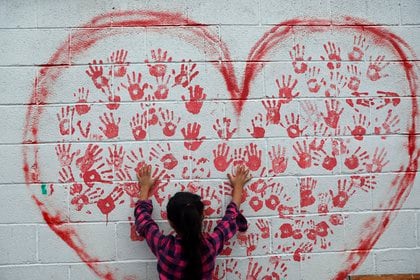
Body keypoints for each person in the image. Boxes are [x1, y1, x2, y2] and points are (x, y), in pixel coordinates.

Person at [134, 164, 251, 280]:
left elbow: (143, 220)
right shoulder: (210, 245)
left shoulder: (163, 247)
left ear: (170, 222)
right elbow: (231, 218)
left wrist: (145, 187)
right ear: (202, 216)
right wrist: (238, 186)